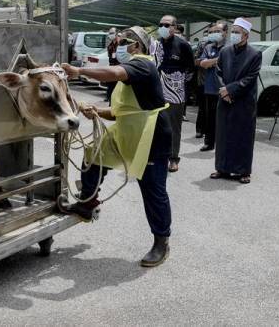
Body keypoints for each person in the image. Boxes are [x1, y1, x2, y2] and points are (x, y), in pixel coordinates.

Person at [61, 26, 172, 267]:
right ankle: (87, 203)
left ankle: (161, 241)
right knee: (93, 155)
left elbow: (113, 72)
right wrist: (96, 111)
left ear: (136, 46)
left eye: (123, 42)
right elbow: (120, 111)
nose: (118, 46)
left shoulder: (143, 64)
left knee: (153, 190)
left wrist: (79, 70)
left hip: (150, 135)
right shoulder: (132, 72)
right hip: (126, 129)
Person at [210, 17, 262, 184]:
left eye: (237, 32)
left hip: (244, 101)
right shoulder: (225, 52)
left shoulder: (254, 54)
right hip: (224, 99)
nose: (233, 35)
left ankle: (243, 171)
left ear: (246, 35)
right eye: (233, 31)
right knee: (223, 134)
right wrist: (224, 91)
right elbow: (218, 72)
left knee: (243, 136)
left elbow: (250, 78)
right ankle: (222, 168)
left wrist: (231, 90)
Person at [151, 15, 195, 172]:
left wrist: (180, 85)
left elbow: (191, 69)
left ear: (174, 27)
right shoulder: (155, 45)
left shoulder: (183, 45)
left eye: (167, 24)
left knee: (173, 127)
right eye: (160, 24)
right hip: (157, 90)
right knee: (155, 125)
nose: (163, 27)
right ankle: (157, 156)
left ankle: (173, 158)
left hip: (175, 92)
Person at [196, 21, 228, 151]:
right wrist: (219, 60)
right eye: (213, 32)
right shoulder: (208, 47)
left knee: (224, 118)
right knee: (210, 118)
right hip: (210, 88)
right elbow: (202, 64)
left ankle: (224, 144)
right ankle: (209, 142)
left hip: (225, 88)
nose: (214, 34)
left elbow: (229, 63)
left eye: (218, 31)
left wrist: (211, 62)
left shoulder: (230, 47)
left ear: (225, 32)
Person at [194, 26, 211, 138]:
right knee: (203, 107)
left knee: (211, 109)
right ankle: (200, 130)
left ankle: (210, 132)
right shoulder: (202, 45)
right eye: (210, 32)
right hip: (203, 81)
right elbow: (196, 61)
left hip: (215, 82)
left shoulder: (224, 47)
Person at [105, 28, 120, 103]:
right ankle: (109, 98)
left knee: (117, 87)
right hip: (112, 67)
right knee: (111, 85)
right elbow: (110, 56)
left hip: (119, 68)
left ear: (117, 33)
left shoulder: (121, 44)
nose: (111, 35)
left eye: (112, 33)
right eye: (110, 33)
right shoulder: (110, 45)